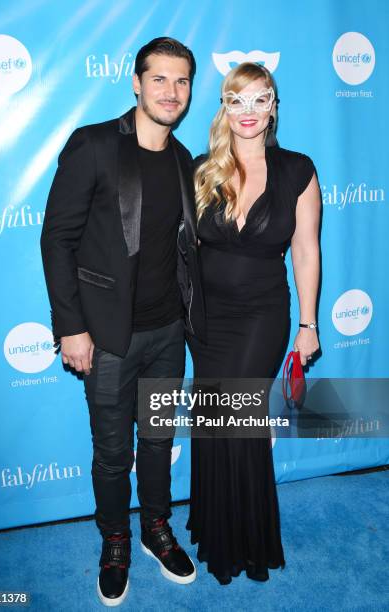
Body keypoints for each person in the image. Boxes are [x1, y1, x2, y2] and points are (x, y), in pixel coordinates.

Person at [41, 37, 206, 607]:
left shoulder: (186, 161)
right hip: (107, 338)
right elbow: (57, 239)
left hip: (167, 335)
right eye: (159, 79)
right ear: (135, 82)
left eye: (181, 81)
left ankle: (156, 527)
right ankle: (114, 539)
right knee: (113, 452)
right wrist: (71, 327)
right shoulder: (93, 146)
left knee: (158, 441)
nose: (171, 91)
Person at [186, 62, 321, 585]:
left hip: (263, 314)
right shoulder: (201, 170)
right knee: (213, 420)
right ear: (224, 106)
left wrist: (308, 325)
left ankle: (248, 541)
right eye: (236, 100)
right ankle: (214, 526)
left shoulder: (297, 170)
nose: (247, 112)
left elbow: (306, 251)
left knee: (237, 420)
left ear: (273, 107)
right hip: (205, 319)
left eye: (258, 99)